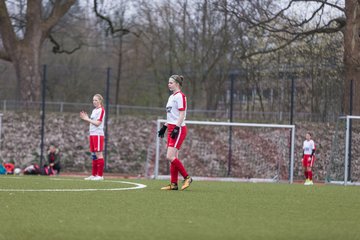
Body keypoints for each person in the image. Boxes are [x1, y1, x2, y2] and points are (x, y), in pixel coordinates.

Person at [158, 75, 192, 190]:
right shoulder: (171, 97)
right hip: (171, 127)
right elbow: (172, 116)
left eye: (171, 82)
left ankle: (187, 177)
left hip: (179, 128)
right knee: (174, 157)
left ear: (177, 84)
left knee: (170, 156)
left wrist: (176, 128)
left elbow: (182, 115)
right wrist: (165, 126)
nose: (169, 84)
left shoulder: (180, 96)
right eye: (168, 82)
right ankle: (174, 184)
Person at [80, 94, 106, 181]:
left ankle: (100, 175)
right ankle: (94, 175)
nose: (94, 102)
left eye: (96, 100)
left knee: (99, 154)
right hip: (92, 134)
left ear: (100, 101)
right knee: (93, 154)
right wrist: (87, 118)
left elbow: (98, 123)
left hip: (98, 134)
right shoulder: (94, 110)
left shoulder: (101, 110)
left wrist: (87, 119)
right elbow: (92, 122)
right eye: (93, 100)